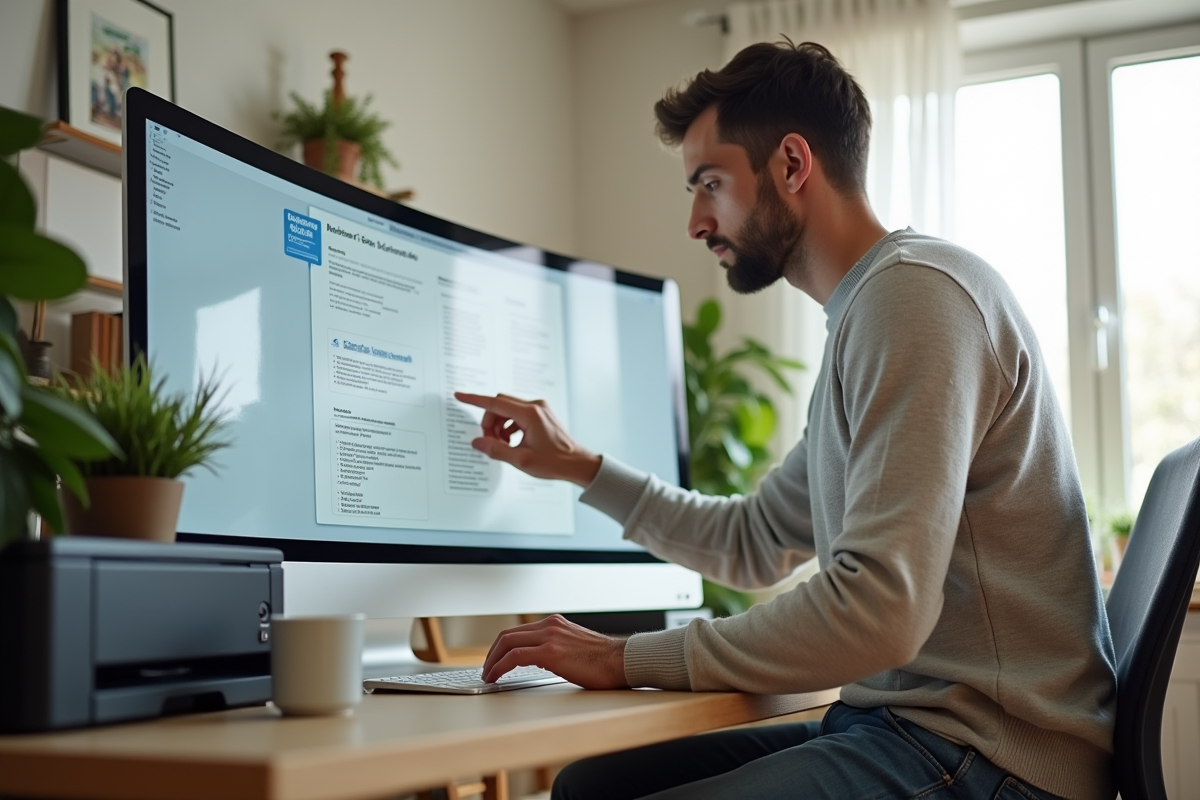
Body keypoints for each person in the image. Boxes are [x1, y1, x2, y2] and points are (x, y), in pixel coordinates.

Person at [455, 40, 1116, 800]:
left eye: (711, 182)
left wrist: (625, 656)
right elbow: (755, 540)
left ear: (792, 165)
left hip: (994, 756)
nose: (697, 220)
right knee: (586, 789)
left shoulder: (916, 299)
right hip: (907, 727)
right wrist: (578, 466)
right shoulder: (871, 314)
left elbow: (878, 613)